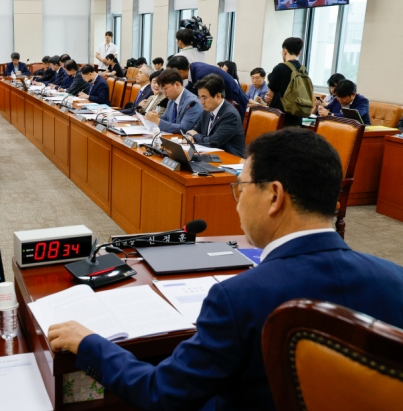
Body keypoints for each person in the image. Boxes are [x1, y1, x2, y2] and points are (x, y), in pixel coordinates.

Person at [47, 127, 403, 411]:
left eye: (240, 188)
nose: (237, 202)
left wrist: (89, 343)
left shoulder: (239, 298)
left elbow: (162, 394)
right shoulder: (395, 279)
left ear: (275, 196)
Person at [183, 74, 245, 157]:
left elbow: (213, 142)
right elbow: (195, 129)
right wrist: (189, 136)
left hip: (228, 160)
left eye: (204, 98)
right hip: (210, 156)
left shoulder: (230, 115)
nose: (201, 102)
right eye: (199, 97)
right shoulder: (207, 110)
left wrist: (194, 135)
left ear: (218, 96)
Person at [169, 56, 248, 120]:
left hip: (231, 97)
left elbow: (198, 96)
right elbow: (189, 88)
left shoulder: (200, 75)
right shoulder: (193, 68)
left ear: (181, 72)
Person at [265, 37, 308, 127]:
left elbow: (269, 96)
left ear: (284, 51)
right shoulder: (303, 70)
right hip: (297, 117)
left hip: (279, 116)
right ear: (299, 53)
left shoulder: (279, 68)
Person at [145, 69, 202, 134]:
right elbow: (166, 118)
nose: (164, 93)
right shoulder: (171, 100)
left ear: (177, 85)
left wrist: (158, 121)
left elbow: (183, 129)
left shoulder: (192, 103)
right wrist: (155, 117)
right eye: (162, 89)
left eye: (165, 89)